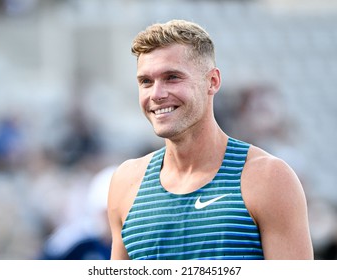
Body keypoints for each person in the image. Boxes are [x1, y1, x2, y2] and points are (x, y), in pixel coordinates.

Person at [107, 19, 314, 260]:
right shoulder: (126, 182)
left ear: (212, 81)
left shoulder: (268, 178)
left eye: (172, 77)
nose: (157, 94)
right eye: (146, 82)